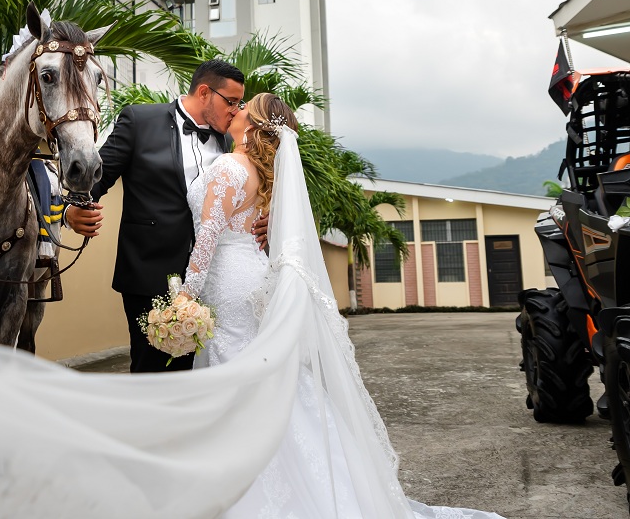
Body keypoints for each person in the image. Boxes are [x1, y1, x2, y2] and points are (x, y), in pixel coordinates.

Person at [178, 93, 504, 518]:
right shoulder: (266, 175)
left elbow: (207, 238)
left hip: (226, 285)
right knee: (269, 383)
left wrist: (185, 295)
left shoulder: (227, 167)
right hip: (254, 280)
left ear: (255, 128)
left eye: (243, 109)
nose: (235, 111)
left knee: (237, 380)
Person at [65, 58, 257, 373]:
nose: (236, 111)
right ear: (205, 93)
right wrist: (72, 209)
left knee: (201, 370)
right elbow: (99, 175)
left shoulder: (228, 141)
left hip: (212, 277)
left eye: (240, 104)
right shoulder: (140, 120)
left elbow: (239, 197)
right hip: (149, 271)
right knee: (151, 372)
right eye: (232, 102)